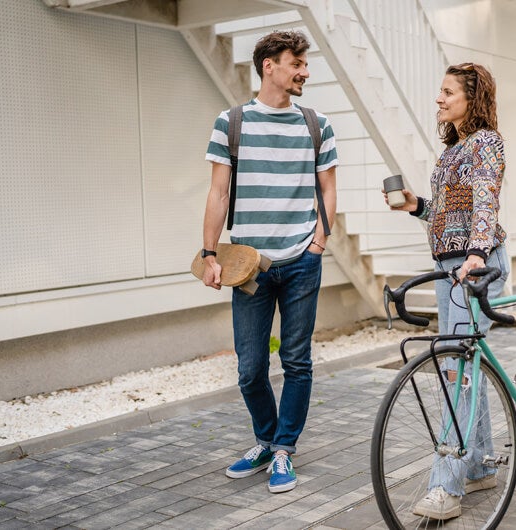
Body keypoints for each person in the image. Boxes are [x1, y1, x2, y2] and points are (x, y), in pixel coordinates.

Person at [202, 30, 338, 494]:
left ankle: (282, 449)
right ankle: (266, 437)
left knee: (297, 361)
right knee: (250, 366)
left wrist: (319, 242)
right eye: (296, 62)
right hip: (249, 267)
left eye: (304, 62)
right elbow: (218, 192)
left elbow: (328, 189)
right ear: (269, 66)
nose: (304, 71)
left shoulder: (317, 123)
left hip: (303, 259)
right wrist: (209, 253)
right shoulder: (231, 122)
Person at [384, 62, 509, 520]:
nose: (438, 98)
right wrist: (418, 206)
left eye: (447, 92)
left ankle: (446, 488)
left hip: (473, 266)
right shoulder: (455, 149)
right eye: (440, 91)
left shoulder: (486, 143)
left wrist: (477, 252)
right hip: (451, 267)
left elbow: (485, 199)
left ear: (471, 99)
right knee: (463, 370)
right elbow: (450, 211)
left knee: (459, 369)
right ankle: (477, 466)